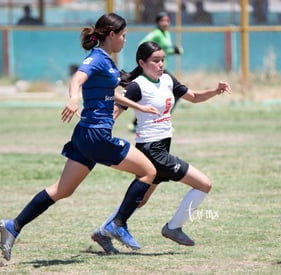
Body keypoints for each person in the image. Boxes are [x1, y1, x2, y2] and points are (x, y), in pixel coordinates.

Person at [0, 13, 160, 261]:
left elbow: (109, 91)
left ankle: (13, 226)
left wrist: (138, 106)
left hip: (84, 135)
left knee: (62, 190)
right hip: (96, 135)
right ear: (112, 35)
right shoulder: (96, 58)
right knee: (149, 172)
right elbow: (78, 78)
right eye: (124, 35)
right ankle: (116, 225)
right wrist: (74, 97)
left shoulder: (106, 61)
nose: (126, 40)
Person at [90, 41, 231, 254]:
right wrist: (99, 134)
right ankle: (173, 228)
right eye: (156, 60)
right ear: (142, 62)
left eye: (162, 59)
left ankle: (103, 231)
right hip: (151, 150)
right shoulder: (137, 85)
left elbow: (193, 97)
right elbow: (116, 111)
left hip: (162, 149)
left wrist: (215, 91)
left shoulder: (167, 80)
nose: (161, 64)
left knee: (139, 201)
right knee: (204, 184)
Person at [128, 11, 183, 132]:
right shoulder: (156, 33)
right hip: (156, 71)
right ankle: (158, 119)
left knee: (161, 95)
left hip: (162, 69)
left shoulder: (166, 33)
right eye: (163, 20)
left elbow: (164, 50)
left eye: (168, 21)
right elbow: (142, 44)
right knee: (176, 92)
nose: (166, 23)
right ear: (158, 22)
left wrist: (173, 51)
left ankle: (140, 122)